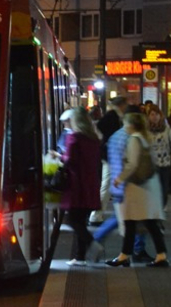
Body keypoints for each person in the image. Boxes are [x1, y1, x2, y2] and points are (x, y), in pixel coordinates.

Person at [106, 112, 169, 268]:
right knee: (145, 222)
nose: (124, 126)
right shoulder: (144, 138)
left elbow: (132, 164)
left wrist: (119, 178)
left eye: (126, 123)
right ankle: (155, 255)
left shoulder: (134, 139)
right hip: (147, 185)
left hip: (137, 187)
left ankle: (126, 255)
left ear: (132, 125)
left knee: (132, 221)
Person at [91, 105, 149, 262]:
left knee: (123, 218)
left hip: (119, 185)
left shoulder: (115, 136)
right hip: (130, 185)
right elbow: (133, 164)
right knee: (135, 219)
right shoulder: (132, 137)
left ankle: (130, 250)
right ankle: (134, 250)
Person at [57, 108, 102, 266]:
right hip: (90, 183)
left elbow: (69, 160)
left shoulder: (74, 137)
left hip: (77, 184)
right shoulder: (94, 138)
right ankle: (80, 257)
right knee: (81, 220)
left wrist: (59, 156)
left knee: (72, 220)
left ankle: (92, 244)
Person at [90, 96, 127, 225]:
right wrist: (107, 141)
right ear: (121, 105)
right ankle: (96, 215)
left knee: (109, 185)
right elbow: (100, 127)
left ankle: (98, 214)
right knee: (106, 186)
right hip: (111, 156)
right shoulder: (112, 116)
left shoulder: (114, 116)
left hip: (110, 155)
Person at [147, 103, 171, 210]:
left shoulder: (166, 129)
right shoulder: (146, 131)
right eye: (151, 115)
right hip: (152, 165)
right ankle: (156, 210)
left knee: (164, 190)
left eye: (156, 114)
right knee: (154, 189)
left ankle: (161, 207)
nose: (154, 117)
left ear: (160, 115)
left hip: (165, 164)